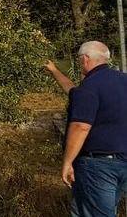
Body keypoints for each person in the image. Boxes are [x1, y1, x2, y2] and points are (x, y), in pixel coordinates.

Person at [46, 41, 127, 217]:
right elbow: (73, 91)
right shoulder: (122, 81)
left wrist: (67, 162)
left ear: (85, 59)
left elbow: (80, 127)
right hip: (122, 163)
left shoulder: (90, 86)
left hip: (97, 166)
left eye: (78, 59)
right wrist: (53, 70)